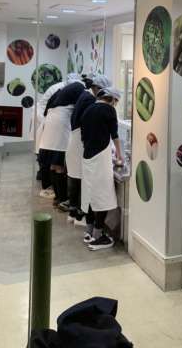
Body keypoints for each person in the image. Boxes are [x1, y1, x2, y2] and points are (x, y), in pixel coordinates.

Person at [80, 87, 123, 251]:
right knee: (103, 196)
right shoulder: (109, 110)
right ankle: (98, 237)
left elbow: (84, 138)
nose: (115, 105)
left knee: (90, 195)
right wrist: (119, 156)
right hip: (100, 159)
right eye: (116, 102)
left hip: (87, 157)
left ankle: (89, 231)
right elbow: (115, 135)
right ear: (112, 99)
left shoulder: (88, 109)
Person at [66, 74, 111, 225]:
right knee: (82, 180)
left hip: (75, 140)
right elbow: (89, 124)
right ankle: (80, 216)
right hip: (79, 142)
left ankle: (74, 213)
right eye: (103, 91)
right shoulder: (90, 100)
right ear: (96, 88)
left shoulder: (85, 96)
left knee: (75, 178)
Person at [38, 74, 85, 208]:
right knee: (59, 167)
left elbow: (46, 109)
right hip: (60, 129)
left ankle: (58, 198)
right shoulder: (79, 87)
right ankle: (63, 198)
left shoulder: (60, 92)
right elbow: (79, 111)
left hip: (50, 127)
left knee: (53, 166)